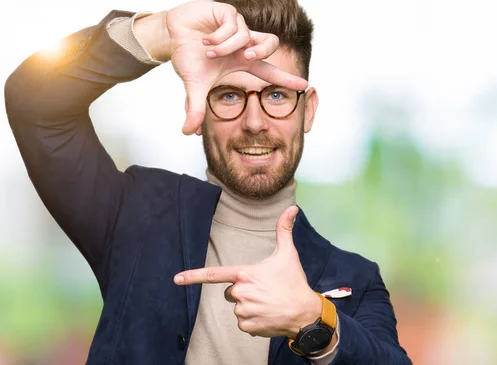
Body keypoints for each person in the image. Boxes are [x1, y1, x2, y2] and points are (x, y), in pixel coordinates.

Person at [4, 0, 412, 364]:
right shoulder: (134, 213)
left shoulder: (357, 280)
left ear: (308, 111)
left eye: (276, 95)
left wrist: (314, 321)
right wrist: (160, 32)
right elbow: (34, 102)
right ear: (197, 104)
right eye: (230, 95)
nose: (255, 123)